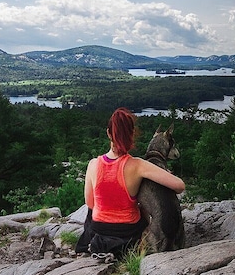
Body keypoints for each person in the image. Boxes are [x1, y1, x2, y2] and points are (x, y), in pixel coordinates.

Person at [76, 107, 185, 261]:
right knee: (140, 209)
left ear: (108, 133)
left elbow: (90, 203)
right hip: (128, 233)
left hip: (99, 231)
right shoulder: (138, 165)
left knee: (91, 212)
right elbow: (180, 186)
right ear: (133, 134)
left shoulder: (93, 164)